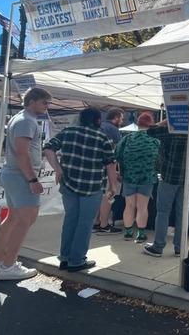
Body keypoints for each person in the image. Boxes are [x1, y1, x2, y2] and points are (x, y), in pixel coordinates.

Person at [43, 107, 118, 272]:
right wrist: (112, 185)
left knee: (70, 220)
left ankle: (64, 258)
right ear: (98, 120)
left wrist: (58, 169)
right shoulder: (102, 137)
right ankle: (76, 260)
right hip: (92, 186)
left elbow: (48, 148)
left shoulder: (68, 131)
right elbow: (110, 164)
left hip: (68, 184)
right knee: (84, 223)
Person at [0, 87, 52, 280]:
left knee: (13, 219)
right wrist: (32, 179)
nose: (46, 107)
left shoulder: (20, 117)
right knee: (25, 221)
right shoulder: (26, 120)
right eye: (44, 102)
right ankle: (8, 266)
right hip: (20, 175)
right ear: (33, 101)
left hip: (13, 173)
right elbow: (21, 153)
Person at [142, 118, 189, 257]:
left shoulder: (169, 131)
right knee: (182, 213)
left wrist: (167, 119)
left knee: (163, 212)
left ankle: (158, 247)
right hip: (188, 178)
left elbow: (151, 130)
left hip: (169, 177)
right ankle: (179, 248)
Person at [115, 111, 159, 243]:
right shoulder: (155, 140)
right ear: (150, 124)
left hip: (129, 177)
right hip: (147, 178)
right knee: (142, 206)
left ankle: (128, 232)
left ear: (138, 124)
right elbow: (161, 158)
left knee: (129, 205)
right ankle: (140, 234)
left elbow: (117, 155)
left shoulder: (127, 138)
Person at [93, 107, 125, 235]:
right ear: (116, 117)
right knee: (108, 196)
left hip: (96, 168)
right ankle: (105, 225)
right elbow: (115, 153)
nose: (122, 122)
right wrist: (117, 171)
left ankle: (96, 223)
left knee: (99, 196)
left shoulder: (99, 126)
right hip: (108, 168)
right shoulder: (113, 130)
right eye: (121, 118)